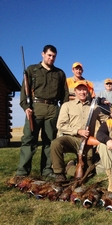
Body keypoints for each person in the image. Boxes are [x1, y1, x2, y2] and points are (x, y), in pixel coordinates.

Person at [15, 44, 69, 178]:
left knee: (50, 142)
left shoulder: (60, 73)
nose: (51, 58)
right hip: (35, 108)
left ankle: (46, 170)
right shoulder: (32, 70)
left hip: (52, 109)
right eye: (49, 55)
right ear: (43, 54)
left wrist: (63, 111)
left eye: (54, 56)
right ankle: (22, 172)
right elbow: (24, 91)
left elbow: (64, 95)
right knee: (29, 140)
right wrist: (26, 107)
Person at [50, 81, 102, 182]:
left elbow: (105, 120)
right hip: (71, 138)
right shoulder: (67, 105)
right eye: (79, 90)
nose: (82, 92)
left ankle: (69, 167)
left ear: (87, 91)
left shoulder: (94, 107)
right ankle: (59, 173)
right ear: (75, 91)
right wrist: (78, 131)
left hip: (87, 141)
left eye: (84, 89)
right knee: (56, 143)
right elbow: (60, 125)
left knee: (88, 171)